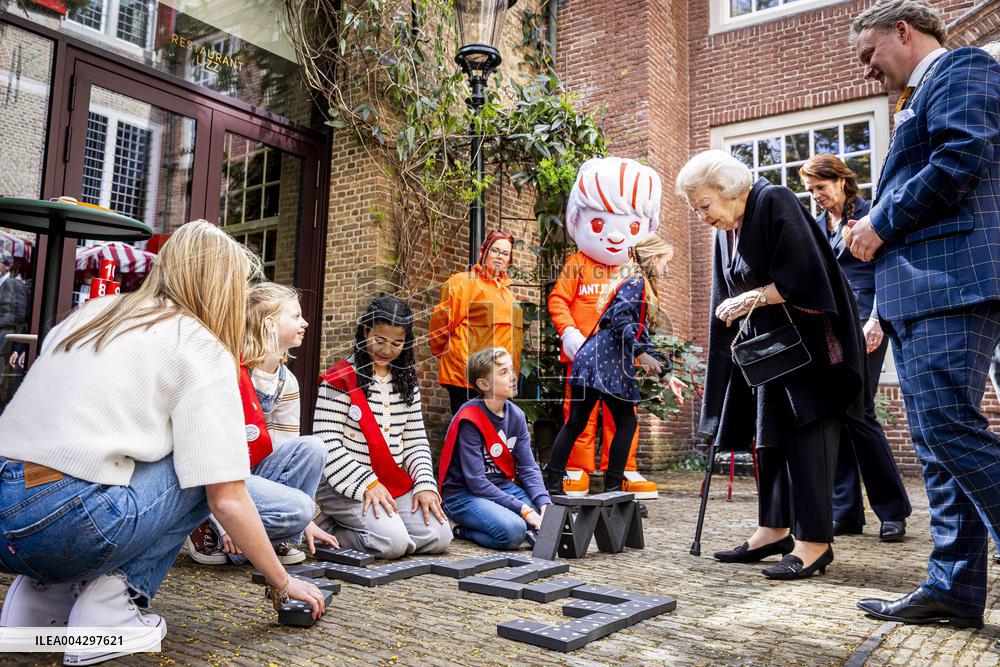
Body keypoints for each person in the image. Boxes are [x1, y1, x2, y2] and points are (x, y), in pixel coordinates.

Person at [0, 221, 327, 663]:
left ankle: (40, 604)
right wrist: (283, 583)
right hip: (68, 525)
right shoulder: (200, 343)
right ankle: (112, 610)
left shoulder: (92, 313)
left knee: (101, 467)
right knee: (202, 466)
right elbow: (227, 496)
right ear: (223, 288)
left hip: (8, 516)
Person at [845, 1, 1000, 628]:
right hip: (922, 292)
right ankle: (954, 587)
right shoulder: (921, 96)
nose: (867, 72)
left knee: (946, 432)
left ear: (903, 32)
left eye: (869, 55)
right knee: (938, 449)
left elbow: (963, 156)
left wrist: (879, 220)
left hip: (952, 284)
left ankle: (954, 583)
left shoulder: (961, 68)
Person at [683, 150, 866, 581]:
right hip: (768, 355)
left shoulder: (775, 200)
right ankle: (773, 530)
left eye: (705, 205)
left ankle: (814, 544)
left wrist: (753, 297)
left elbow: (806, 274)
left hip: (810, 353)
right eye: (696, 209)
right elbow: (720, 299)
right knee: (770, 440)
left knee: (808, 439)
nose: (702, 216)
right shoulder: (724, 231)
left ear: (728, 190)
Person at [186, 282, 339, 567]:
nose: (305, 323)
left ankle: (281, 537)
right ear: (270, 323)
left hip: (254, 472)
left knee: (312, 447)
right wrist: (227, 519)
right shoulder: (232, 368)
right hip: (220, 477)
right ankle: (210, 525)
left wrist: (301, 520)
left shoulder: (286, 382)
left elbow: (284, 451)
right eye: (295, 316)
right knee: (302, 507)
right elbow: (212, 448)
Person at [800, 154, 912, 541]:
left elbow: (890, 265)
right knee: (837, 413)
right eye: (811, 189)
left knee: (860, 413)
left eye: (821, 186)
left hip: (867, 321)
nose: (816, 195)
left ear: (842, 181)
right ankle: (846, 511)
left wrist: (878, 318)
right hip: (831, 328)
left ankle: (892, 510)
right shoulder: (817, 227)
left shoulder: (871, 214)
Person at [548, 157, 665, 498]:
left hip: (617, 360)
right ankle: (578, 468)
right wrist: (570, 334)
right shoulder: (578, 263)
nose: (615, 236)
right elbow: (558, 301)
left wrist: (641, 353)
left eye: (630, 228)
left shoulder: (632, 270)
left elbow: (637, 321)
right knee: (580, 417)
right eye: (600, 223)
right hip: (584, 354)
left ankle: (624, 469)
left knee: (621, 420)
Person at [543, 233, 686, 497]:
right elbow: (621, 321)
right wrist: (641, 355)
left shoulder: (629, 280)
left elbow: (638, 334)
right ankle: (613, 489)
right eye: (666, 262)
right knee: (625, 424)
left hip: (589, 359)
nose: (666, 268)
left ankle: (552, 487)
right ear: (653, 259)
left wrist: (666, 376)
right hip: (606, 364)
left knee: (576, 422)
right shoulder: (637, 282)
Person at [313, 296, 452, 559]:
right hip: (343, 481)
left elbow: (415, 441)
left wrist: (424, 484)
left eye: (396, 343)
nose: (387, 350)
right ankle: (330, 535)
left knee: (440, 536)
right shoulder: (337, 379)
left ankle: (376, 530)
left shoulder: (407, 383)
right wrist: (367, 483)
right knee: (393, 544)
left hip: (391, 482)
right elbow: (326, 442)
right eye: (379, 340)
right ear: (365, 331)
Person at [439, 347, 552, 549]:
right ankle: (458, 528)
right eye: (503, 372)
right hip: (462, 494)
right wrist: (523, 510)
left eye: (512, 370)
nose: (513, 377)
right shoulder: (470, 418)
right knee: (514, 531)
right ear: (483, 384)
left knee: (546, 517)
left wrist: (544, 504)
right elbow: (476, 482)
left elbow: (528, 467)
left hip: (500, 487)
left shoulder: (516, 415)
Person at [429, 230, 523, 415]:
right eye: (495, 250)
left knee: (491, 439)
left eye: (505, 253)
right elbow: (440, 326)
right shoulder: (463, 283)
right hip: (468, 378)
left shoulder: (509, 295)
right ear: (483, 251)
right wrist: (452, 358)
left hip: (498, 380)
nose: (499, 257)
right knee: (468, 435)